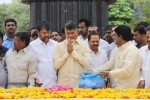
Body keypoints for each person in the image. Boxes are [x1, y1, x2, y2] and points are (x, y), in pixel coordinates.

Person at [53, 21, 90, 87]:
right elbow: (56, 65)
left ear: (77, 32)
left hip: (79, 84)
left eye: (72, 33)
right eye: (68, 33)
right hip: (62, 85)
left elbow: (87, 64)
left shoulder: (84, 45)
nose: (70, 35)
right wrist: (67, 53)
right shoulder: (59, 46)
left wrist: (73, 52)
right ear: (65, 33)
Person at [29, 21, 58, 87]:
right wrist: (35, 79)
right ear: (38, 32)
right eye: (44, 33)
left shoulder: (56, 45)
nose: (47, 35)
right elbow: (31, 66)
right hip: (40, 83)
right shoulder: (32, 46)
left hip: (54, 83)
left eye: (48, 32)